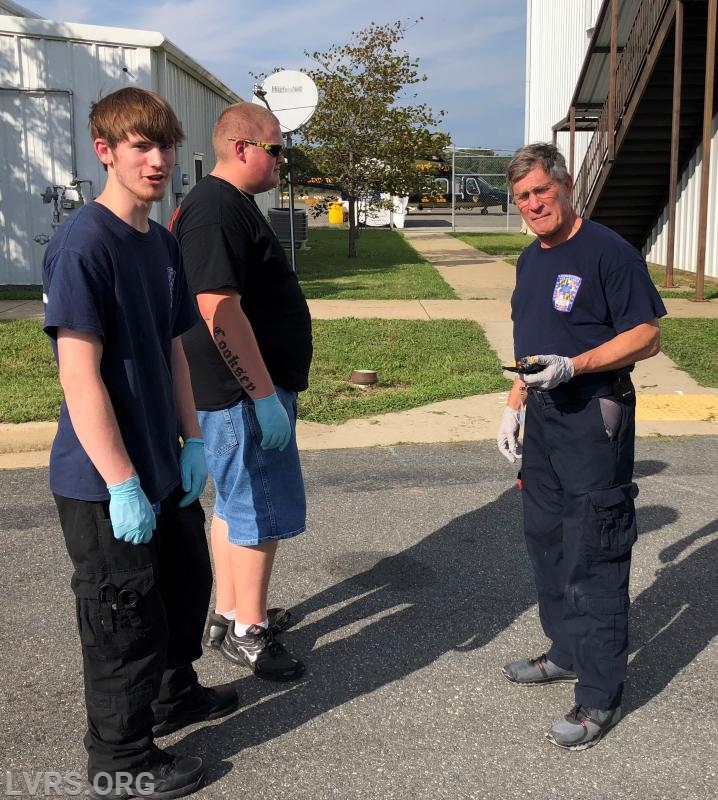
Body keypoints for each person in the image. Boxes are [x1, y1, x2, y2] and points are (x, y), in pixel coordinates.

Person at [42, 87, 239, 799]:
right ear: (106, 151)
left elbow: (177, 350)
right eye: (140, 147)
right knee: (121, 617)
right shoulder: (83, 244)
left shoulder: (160, 242)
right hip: (103, 481)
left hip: (164, 463)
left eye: (166, 146)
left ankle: (173, 695)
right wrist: (123, 481)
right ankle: (120, 757)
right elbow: (80, 377)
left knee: (184, 589)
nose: (158, 161)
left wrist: (192, 441)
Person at [496, 142, 666, 750]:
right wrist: (515, 404)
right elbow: (530, 338)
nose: (534, 204)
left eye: (542, 190)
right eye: (523, 197)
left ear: (566, 187)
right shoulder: (529, 260)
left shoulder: (608, 252)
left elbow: (646, 334)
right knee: (546, 539)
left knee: (594, 549)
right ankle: (565, 652)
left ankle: (598, 697)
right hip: (542, 417)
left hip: (594, 416)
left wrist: (578, 365)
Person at [172, 103, 312, 682]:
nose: (284, 159)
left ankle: (229, 612)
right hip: (240, 394)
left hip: (239, 393)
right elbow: (216, 307)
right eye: (276, 148)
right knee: (260, 509)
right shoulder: (216, 210)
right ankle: (249, 632)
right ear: (241, 147)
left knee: (234, 506)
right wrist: (260, 396)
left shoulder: (228, 205)